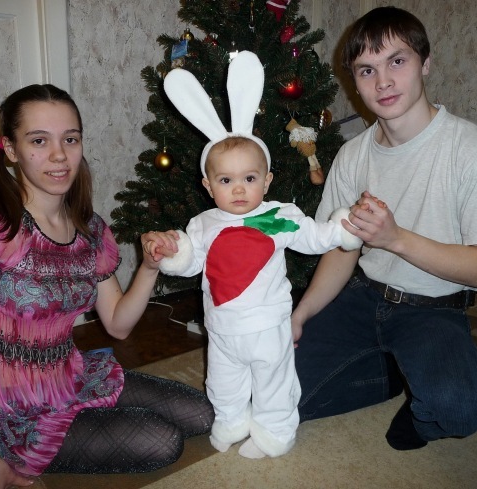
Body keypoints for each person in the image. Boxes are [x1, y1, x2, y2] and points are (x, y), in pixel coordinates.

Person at [0, 84, 214, 488]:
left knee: (203, 414)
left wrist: (150, 266)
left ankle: (83, 414)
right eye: (39, 140)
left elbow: (118, 324)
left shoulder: (89, 230)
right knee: (163, 440)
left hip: (71, 375)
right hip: (13, 408)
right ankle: (26, 446)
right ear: (11, 149)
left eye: (70, 139)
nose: (59, 155)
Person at [291, 6, 477, 451]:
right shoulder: (352, 156)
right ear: (355, 81)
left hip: (433, 309)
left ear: (425, 63)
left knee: (457, 410)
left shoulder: (475, 152)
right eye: (367, 70)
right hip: (362, 297)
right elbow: (343, 251)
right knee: (277, 393)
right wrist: (301, 315)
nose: (383, 81)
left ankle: (426, 395)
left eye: (397, 61)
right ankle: (390, 375)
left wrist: (395, 238)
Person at [145, 51, 363, 459]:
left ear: (267, 180)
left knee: (273, 382)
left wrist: (343, 229)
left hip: (268, 326)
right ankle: (230, 420)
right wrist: (174, 252)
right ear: (209, 186)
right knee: (223, 381)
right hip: (222, 329)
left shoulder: (277, 217)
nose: (240, 189)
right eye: (226, 180)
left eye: (249, 178)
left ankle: (274, 431)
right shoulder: (203, 224)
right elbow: (192, 263)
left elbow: (315, 237)